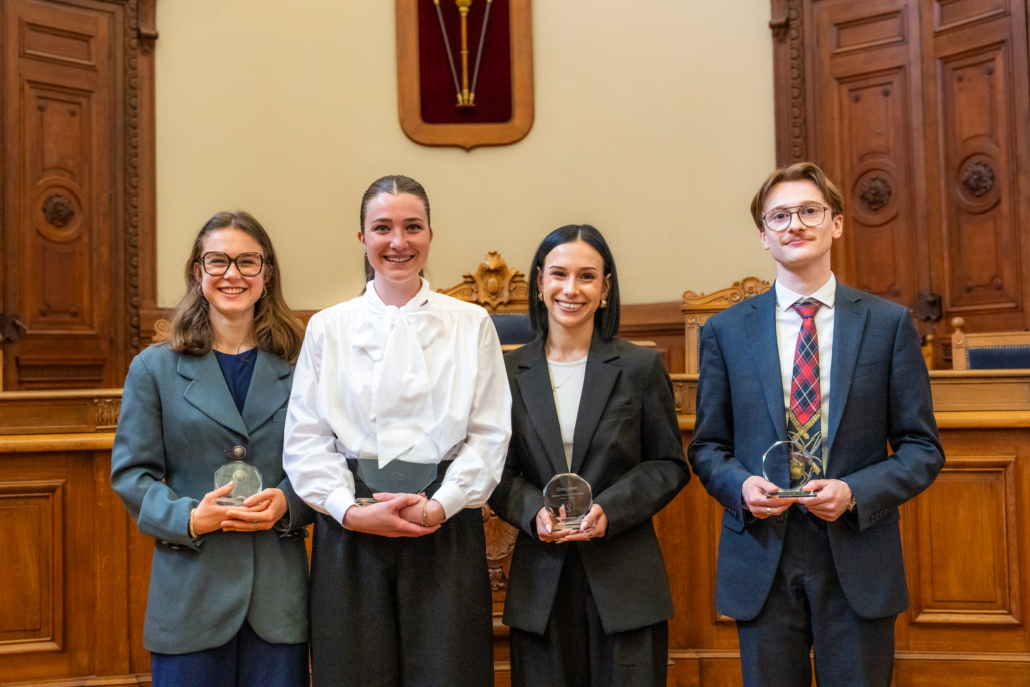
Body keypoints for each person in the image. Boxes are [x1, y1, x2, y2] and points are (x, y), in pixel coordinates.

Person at [688, 162, 944, 686]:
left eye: (809, 211)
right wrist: (742, 487)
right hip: (763, 551)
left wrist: (854, 491)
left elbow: (922, 448)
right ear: (763, 235)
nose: (794, 224)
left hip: (856, 550)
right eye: (778, 216)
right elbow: (708, 446)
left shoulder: (887, 324)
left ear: (837, 224)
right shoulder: (725, 331)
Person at [282, 175, 512, 687]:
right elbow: (307, 438)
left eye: (412, 227)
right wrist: (349, 510)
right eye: (382, 228)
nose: (398, 242)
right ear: (362, 239)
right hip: (352, 526)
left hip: (444, 521)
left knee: (449, 673)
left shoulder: (471, 324)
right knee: (353, 673)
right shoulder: (328, 328)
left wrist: (441, 504)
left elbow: (490, 434)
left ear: (430, 235)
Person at [110, 211, 313, 687]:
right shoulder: (153, 369)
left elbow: (326, 462)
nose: (232, 274)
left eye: (247, 262)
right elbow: (131, 475)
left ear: (267, 275)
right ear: (197, 272)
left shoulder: (303, 363)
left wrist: (291, 503)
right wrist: (186, 518)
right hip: (190, 595)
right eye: (217, 261)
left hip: (277, 598)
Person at [488, 224, 690, 687]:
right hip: (542, 582)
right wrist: (534, 511)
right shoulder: (508, 371)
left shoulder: (640, 366)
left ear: (605, 288)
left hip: (625, 579)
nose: (571, 289)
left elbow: (668, 464)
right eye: (559, 274)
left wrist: (610, 510)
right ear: (539, 283)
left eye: (586, 276)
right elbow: (496, 472)